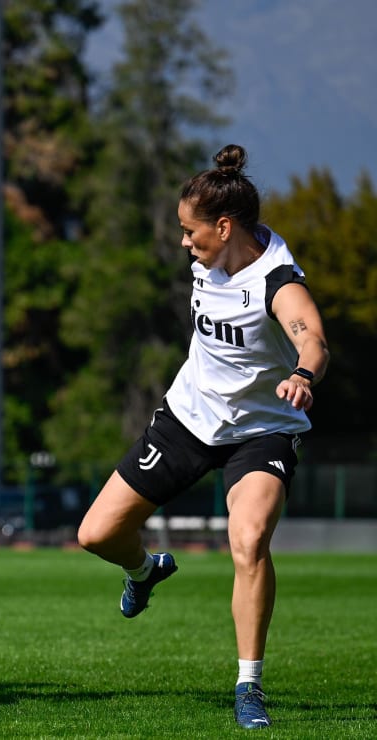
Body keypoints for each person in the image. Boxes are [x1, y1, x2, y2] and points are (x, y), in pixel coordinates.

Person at [77, 145, 330, 730]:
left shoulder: (276, 279)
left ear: (224, 226)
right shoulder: (208, 262)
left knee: (248, 543)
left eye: (191, 232)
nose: (184, 243)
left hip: (262, 432)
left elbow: (311, 337)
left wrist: (300, 374)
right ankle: (145, 571)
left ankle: (249, 686)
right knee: (95, 533)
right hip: (190, 419)